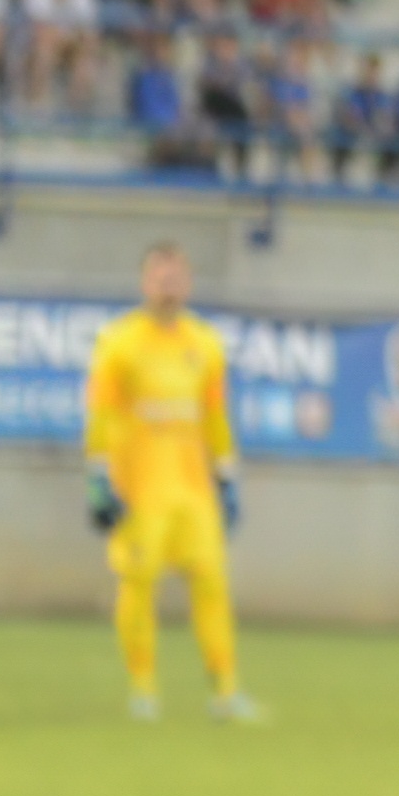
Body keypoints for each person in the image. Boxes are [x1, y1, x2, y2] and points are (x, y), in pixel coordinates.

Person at [85, 244, 254, 727]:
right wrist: (98, 475)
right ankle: (143, 690)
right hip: (140, 488)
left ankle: (225, 690)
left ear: (190, 282)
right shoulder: (119, 343)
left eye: (177, 275)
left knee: (212, 583)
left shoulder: (205, 344)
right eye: (160, 276)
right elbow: (100, 414)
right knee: (138, 583)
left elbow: (216, 415)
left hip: (193, 489)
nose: (169, 285)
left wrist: (227, 473)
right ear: (145, 283)